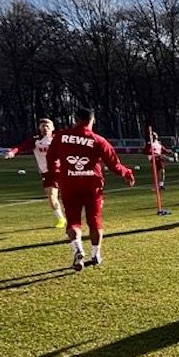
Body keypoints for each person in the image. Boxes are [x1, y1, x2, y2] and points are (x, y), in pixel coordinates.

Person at [46, 107, 135, 271]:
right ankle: (95, 254)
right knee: (94, 221)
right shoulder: (98, 140)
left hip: (69, 183)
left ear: (76, 119)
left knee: (73, 221)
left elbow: (50, 158)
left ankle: (78, 250)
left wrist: (57, 174)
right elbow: (114, 164)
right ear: (92, 120)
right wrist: (127, 173)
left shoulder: (61, 136)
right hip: (92, 185)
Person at [3, 117, 67, 228]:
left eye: (47, 126)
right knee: (51, 196)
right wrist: (12, 152)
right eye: (43, 126)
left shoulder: (58, 139)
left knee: (68, 196)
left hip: (61, 171)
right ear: (39, 128)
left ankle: (71, 217)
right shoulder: (36, 141)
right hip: (46, 173)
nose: (45, 128)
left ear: (53, 128)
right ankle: (61, 219)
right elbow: (21, 147)